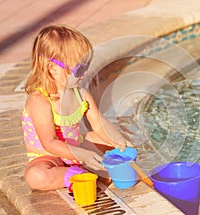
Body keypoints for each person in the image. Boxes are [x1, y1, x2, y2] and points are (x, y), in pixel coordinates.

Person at [22, 24, 132, 191]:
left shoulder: (80, 94)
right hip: (48, 157)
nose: (85, 73)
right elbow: (49, 142)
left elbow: (98, 123)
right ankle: (74, 175)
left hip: (77, 146)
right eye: (80, 68)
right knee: (36, 176)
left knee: (110, 141)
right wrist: (82, 155)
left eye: (87, 66)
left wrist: (118, 141)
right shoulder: (40, 100)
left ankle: (87, 170)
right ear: (53, 68)